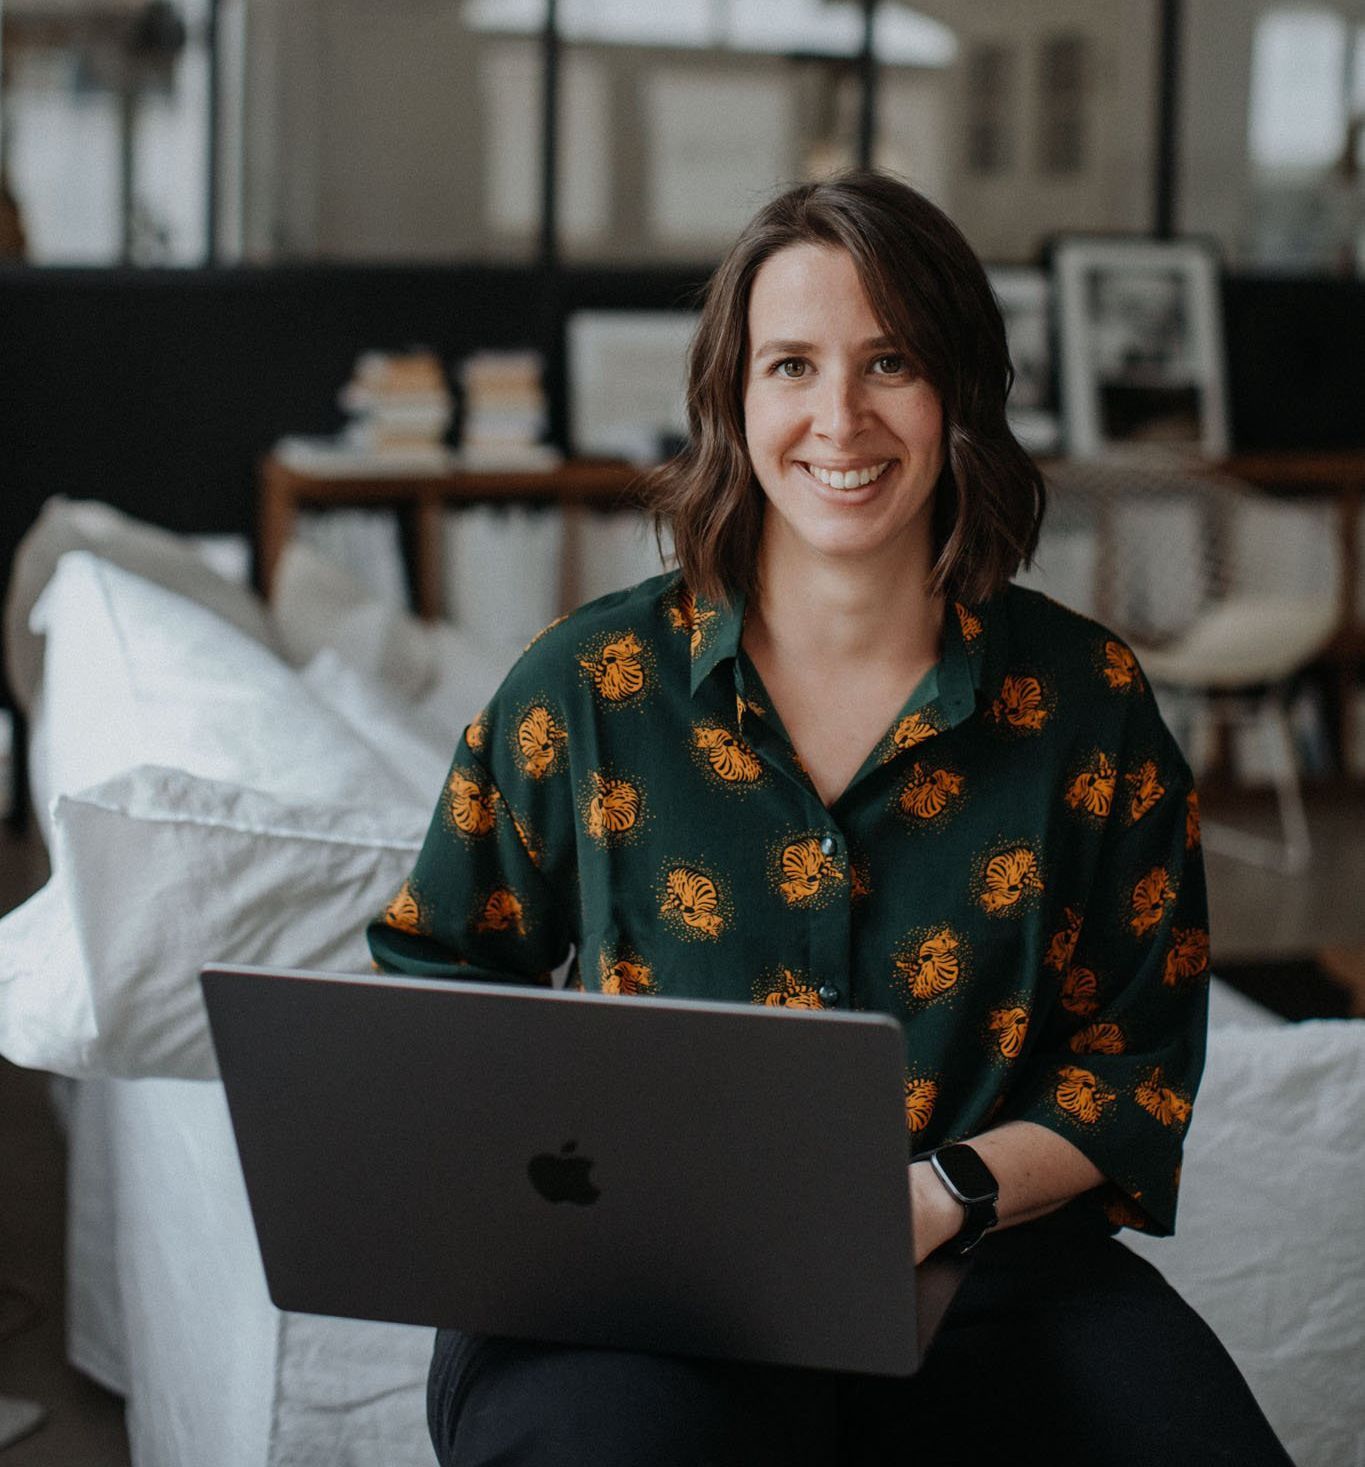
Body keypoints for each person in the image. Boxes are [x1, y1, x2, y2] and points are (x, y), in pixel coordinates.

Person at [368, 170, 1291, 1466]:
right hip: (638, 1286)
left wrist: (938, 1196)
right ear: (732, 402)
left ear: (957, 390)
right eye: (790, 366)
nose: (838, 418)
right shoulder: (582, 690)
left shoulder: (1089, 704)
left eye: (889, 362)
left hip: (986, 1262)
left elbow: (1133, 1060)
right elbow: (436, 978)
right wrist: (575, 1188)